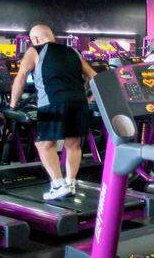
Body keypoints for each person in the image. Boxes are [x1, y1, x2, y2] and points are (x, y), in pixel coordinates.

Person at [9, 24, 97, 200]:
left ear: (35, 39)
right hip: (78, 103)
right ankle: (70, 183)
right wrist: (89, 98)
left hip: (52, 103)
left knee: (44, 145)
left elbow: (21, 78)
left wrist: (12, 105)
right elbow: (95, 77)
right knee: (73, 144)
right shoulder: (73, 52)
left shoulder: (35, 51)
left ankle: (58, 184)